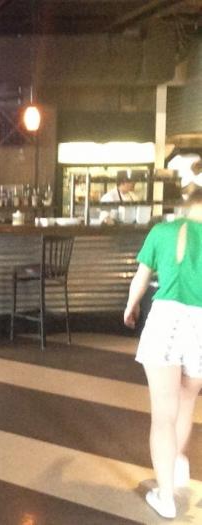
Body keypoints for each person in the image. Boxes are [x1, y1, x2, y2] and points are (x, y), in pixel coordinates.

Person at [124, 170, 202, 519]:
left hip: (166, 322)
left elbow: (140, 280)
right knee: (187, 402)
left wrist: (130, 307)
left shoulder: (162, 232)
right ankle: (177, 462)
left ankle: (166, 496)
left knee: (163, 415)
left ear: (186, 201)